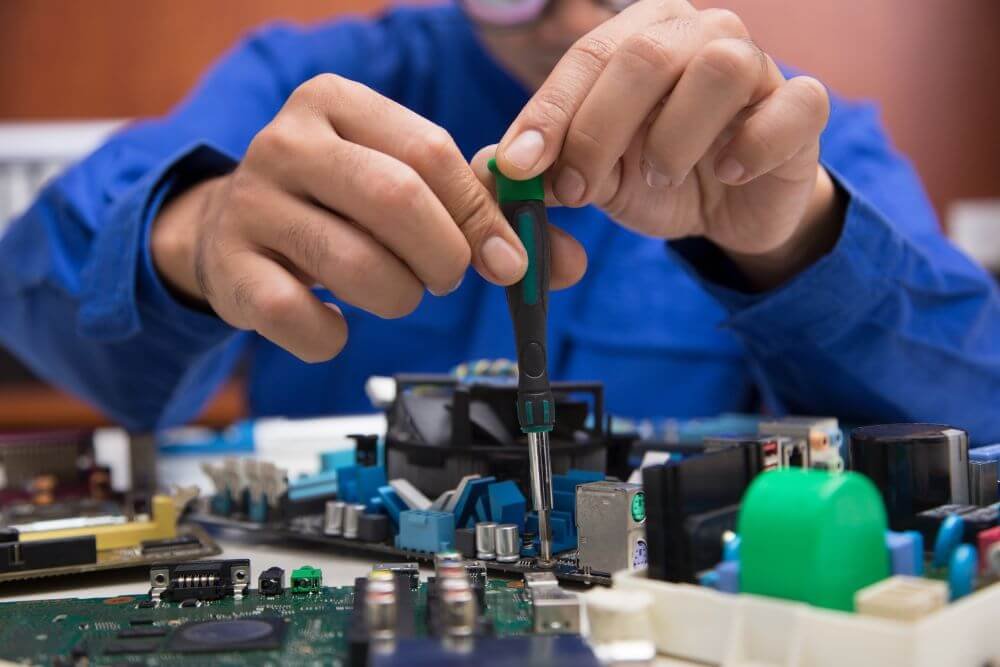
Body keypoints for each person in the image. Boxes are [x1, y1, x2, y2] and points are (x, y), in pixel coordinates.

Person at [1, 0, 998, 442]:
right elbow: (29, 284)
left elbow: (978, 413)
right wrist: (193, 232)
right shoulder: (299, 78)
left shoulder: (784, 132)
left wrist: (793, 249)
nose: (568, 21)